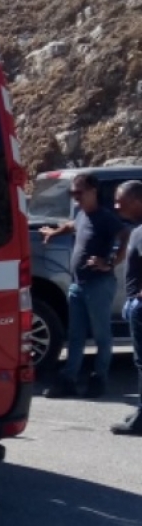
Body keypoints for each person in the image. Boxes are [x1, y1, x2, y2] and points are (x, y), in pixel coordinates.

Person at [40, 173, 130, 399]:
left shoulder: (105, 217)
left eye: (78, 193)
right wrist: (54, 232)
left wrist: (110, 262)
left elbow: (126, 236)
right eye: (72, 193)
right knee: (76, 335)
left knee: (101, 335)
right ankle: (68, 380)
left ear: (93, 192)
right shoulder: (82, 215)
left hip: (99, 284)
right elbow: (72, 225)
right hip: (78, 285)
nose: (74, 197)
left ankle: (99, 379)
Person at [111, 179, 142, 435]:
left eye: (121, 200)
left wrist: (138, 300)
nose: (116, 205)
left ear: (137, 201)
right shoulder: (136, 230)